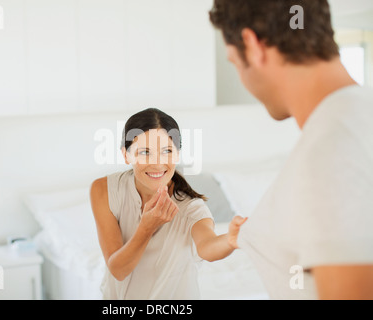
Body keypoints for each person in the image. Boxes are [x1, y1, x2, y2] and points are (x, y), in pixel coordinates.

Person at [209, 0, 373, 299]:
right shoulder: (356, 118)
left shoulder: (330, 149)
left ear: (252, 44)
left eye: (234, 62)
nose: (241, 78)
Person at [90, 108, 246, 299]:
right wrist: (146, 228)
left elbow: (207, 247)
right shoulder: (104, 189)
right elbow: (118, 270)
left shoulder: (191, 208)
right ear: (126, 155)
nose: (157, 163)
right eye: (145, 152)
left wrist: (230, 240)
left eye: (167, 151)